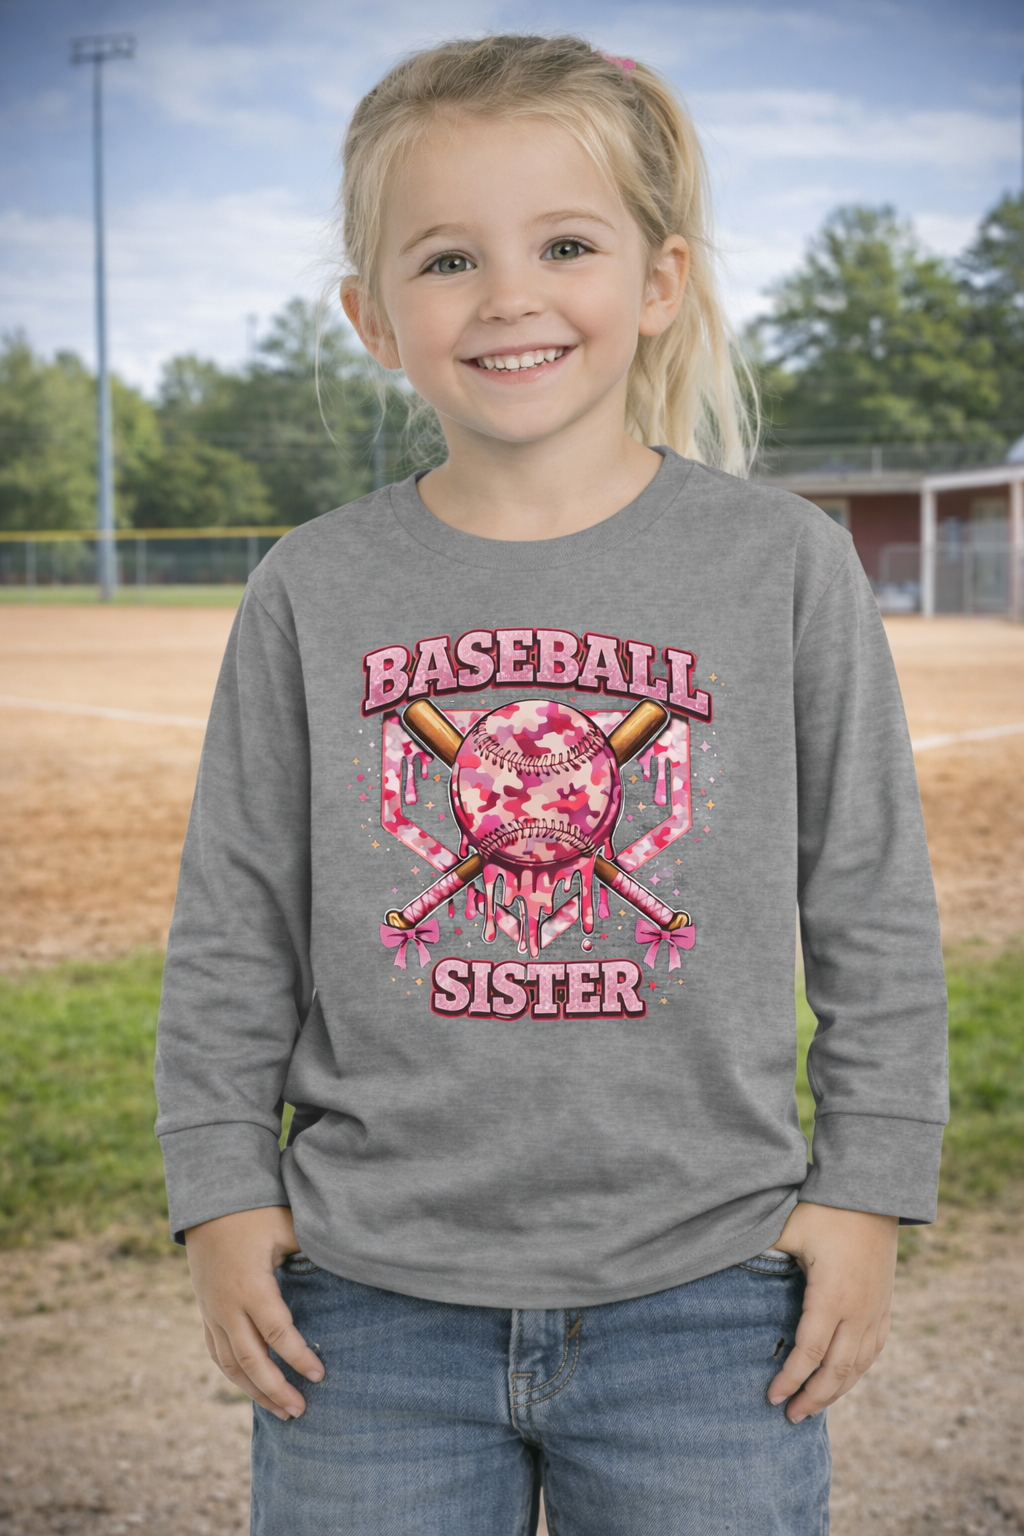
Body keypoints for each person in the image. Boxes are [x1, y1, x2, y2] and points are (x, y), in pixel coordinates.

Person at [155, 34, 948, 1536]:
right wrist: (219, 1187)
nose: (509, 295)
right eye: (447, 258)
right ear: (371, 318)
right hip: (367, 1301)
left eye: (564, 244)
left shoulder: (782, 566)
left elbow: (873, 901)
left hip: (711, 1298)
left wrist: (867, 1192)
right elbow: (233, 919)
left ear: (657, 282)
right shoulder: (312, 589)